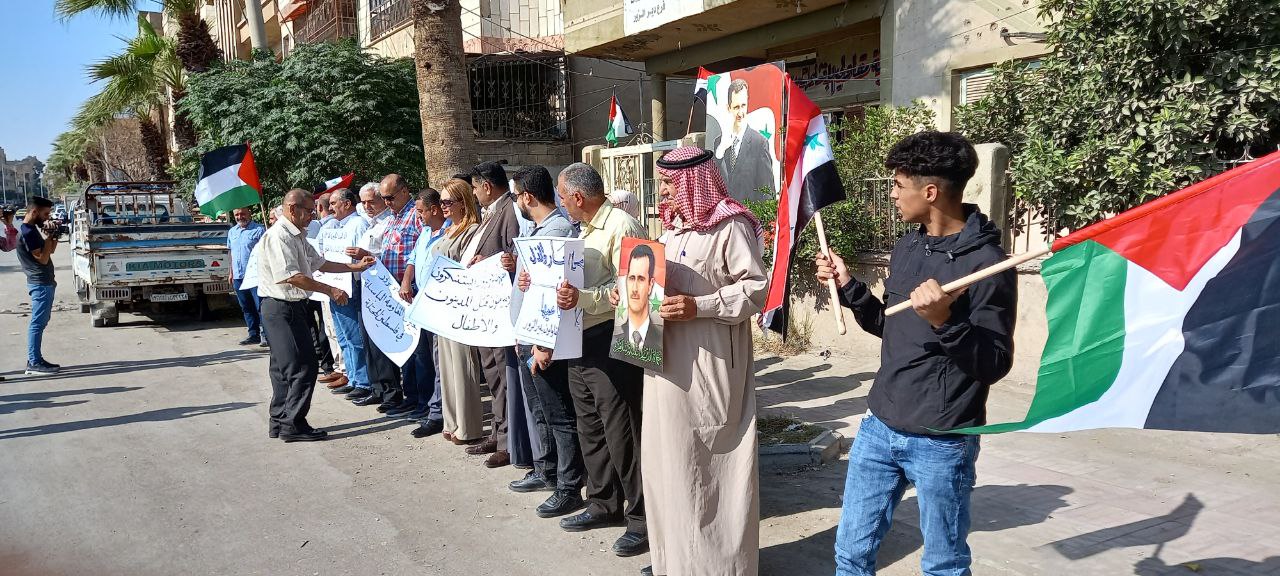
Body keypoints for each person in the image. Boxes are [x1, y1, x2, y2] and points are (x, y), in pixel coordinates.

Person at [815, 131, 1017, 576]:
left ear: (930, 192)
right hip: (879, 425)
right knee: (850, 555)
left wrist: (946, 321)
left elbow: (994, 362)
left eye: (897, 184)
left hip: (942, 438)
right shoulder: (908, 246)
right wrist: (848, 286)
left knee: (943, 565)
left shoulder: (988, 264)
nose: (891, 193)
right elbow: (890, 325)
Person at [632, 147, 768, 576]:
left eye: (669, 183)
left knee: (708, 464)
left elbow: (757, 290)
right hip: (664, 363)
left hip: (710, 364)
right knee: (668, 462)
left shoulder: (731, 226)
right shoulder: (671, 231)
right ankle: (673, 562)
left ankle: (717, 567)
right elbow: (656, 287)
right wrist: (630, 294)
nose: (664, 191)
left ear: (694, 181)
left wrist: (701, 306)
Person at [553, 162, 649, 558]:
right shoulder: (580, 230)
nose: (561, 203)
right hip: (579, 338)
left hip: (612, 339)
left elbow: (633, 286)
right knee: (590, 425)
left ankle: (641, 518)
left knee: (622, 430)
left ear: (578, 197)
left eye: (563, 197)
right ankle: (603, 502)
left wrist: (584, 299)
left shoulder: (622, 226)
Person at [255, 189, 376, 442]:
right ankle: (292, 424)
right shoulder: (280, 236)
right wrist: (331, 290)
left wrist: (355, 266)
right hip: (281, 308)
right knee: (302, 367)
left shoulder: (297, 234)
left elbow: (319, 263)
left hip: (290, 307)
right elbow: (293, 276)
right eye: (309, 211)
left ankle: (280, 420)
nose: (313, 215)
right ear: (292, 209)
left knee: (283, 369)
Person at [509, 166, 586, 519]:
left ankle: (568, 487)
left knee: (559, 415)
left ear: (527, 196)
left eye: (516, 196)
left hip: (544, 341)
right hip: (528, 337)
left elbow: (555, 298)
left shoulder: (557, 233)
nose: (517, 202)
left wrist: (543, 344)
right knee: (541, 410)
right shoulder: (537, 231)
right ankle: (547, 470)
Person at [465, 161, 523, 469]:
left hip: (501, 308)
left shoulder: (511, 211)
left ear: (487, 186)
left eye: (475, 187)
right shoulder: (490, 213)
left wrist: (492, 262)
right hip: (485, 310)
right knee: (492, 373)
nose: (474, 194)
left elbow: (515, 255)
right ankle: (497, 431)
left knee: (503, 375)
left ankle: (508, 442)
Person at [347, 174, 421, 412]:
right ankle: (404, 396)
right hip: (387, 288)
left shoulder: (415, 215)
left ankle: (414, 398)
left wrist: (407, 280)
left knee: (412, 349)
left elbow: (419, 252)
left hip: (408, 289)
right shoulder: (395, 217)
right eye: (385, 198)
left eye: (388, 198)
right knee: (387, 342)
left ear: (404, 191)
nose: (387, 203)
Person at [428, 179, 486, 445]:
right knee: (446, 366)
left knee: (463, 366)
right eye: (441, 202)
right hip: (442, 304)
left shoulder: (472, 230)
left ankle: (468, 426)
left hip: (461, 306)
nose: (443, 206)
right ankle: (451, 422)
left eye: (448, 202)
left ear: (463, 202)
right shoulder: (447, 230)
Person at [397, 187, 452, 436]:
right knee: (425, 358)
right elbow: (412, 259)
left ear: (435, 209)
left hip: (440, 306)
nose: (418, 216)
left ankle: (437, 413)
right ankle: (428, 404)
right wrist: (406, 281)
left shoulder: (450, 232)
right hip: (422, 303)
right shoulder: (425, 232)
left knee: (440, 361)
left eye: (421, 211)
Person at [314, 189, 372, 398]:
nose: (330, 208)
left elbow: (364, 256)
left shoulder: (358, 224)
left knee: (354, 335)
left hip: (351, 285)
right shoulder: (332, 225)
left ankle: (363, 381)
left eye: (333, 203)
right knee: (343, 335)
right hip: (334, 284)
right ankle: (353, 377)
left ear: (347, 204)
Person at [16, 197, 62, 375]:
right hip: (40, 284)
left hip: (45, 283)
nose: (47, 217)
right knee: (37, 323)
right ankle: (34, 363)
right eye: (45, 214)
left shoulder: (33, 229)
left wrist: (54, 235)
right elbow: (42, 259)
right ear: (34, 212)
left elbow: (50, 251)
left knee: (41, 322)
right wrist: (49, 236)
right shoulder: (27, 232)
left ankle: (36, 359)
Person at [714, 79, 775, 202]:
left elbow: (767, 192)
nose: (741, 112)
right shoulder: (719, 144)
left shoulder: (759, 143)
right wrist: (720, 153)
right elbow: (714, 184)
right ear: (729, 108)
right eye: (736, 107)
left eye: (743, 106)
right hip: (725, 213)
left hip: (749, 213)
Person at [612, 243, 662, 360]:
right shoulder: (617, 340)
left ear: (650, 284)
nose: (634, 289)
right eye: (631, 278)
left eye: (641, 279)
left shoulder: (660, 341)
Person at [227, 207, 268, 347]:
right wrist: (231, 272)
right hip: (238, 276)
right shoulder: (232, 232)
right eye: (237, 214)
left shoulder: (259, 230)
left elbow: (265, 252)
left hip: (255, 276)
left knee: (260, 306)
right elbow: (231, 253)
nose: (240, 217)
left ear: (249, 213)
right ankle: (253, 334)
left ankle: (266, 335)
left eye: (242, 213)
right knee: (246, 307)